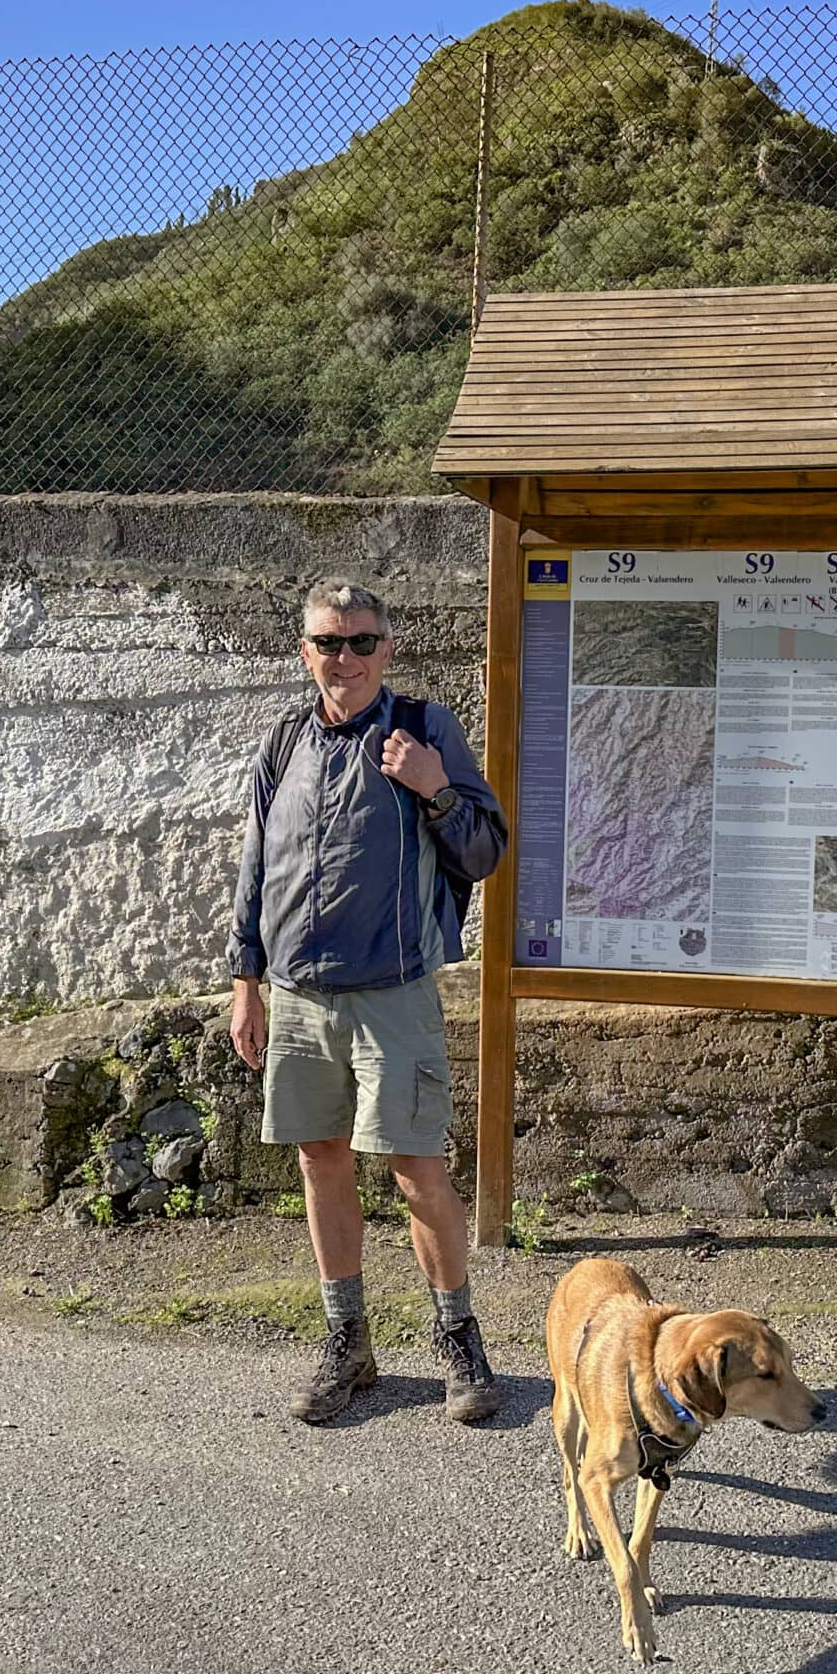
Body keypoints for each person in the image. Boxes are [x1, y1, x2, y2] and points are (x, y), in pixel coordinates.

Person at [227, 578, 509, 1424]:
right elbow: (254, 870)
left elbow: (486, 852)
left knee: (417, 1170)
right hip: (300, 995)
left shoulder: (424, 731)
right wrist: (247, 986)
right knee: (320, 1163)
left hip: (393, 995)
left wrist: (435, 788)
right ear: (304, 650)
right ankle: (347, 1341)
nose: (342, 657)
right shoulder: (283, 742)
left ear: (387, 649)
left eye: (359, 642)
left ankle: (460, 1339)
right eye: (327, 642)